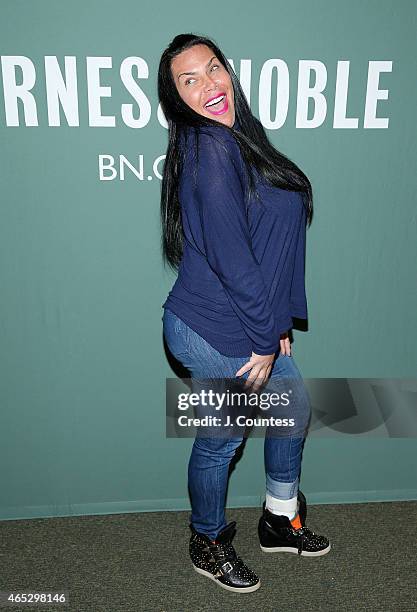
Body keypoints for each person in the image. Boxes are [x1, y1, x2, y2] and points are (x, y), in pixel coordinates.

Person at [157, 33, 331, 594]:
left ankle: (279, 520)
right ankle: (206, 540)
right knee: (222, 439)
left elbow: (273, 247)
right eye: (190, 79)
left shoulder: (241, 139)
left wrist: (278, 323)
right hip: (209, 325)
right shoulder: (210, 148)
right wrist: (263, 335)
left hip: (248, 319)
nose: (209, 84)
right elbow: (235, 259)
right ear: (175, 98)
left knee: (292, 405)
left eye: (213, 69)